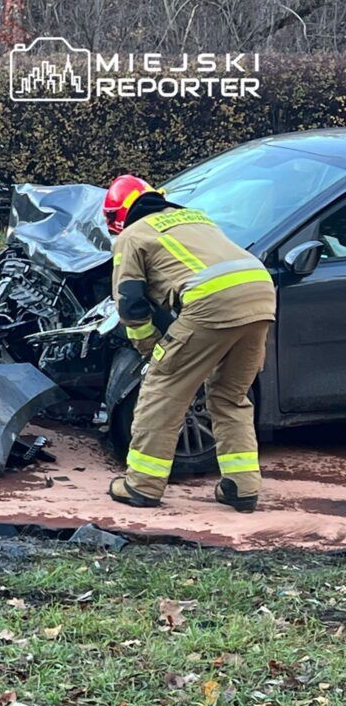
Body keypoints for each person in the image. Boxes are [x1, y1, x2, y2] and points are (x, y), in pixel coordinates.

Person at [104, 175, 276, 512]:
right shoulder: (196, 217)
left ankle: (142, 485)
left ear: (119, 216)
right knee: (231, 394)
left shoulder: (132, 235)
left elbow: (130, 304)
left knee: (162, 388)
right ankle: (241, 487)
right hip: (261, 294)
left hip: (213, 301)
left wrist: (151, 348)